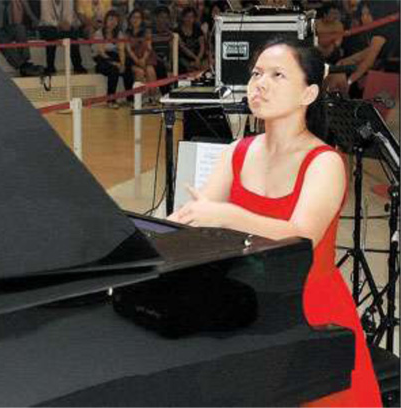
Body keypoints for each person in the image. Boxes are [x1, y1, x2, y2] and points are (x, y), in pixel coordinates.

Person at [168, 37, 382, 407]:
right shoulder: (238, 151)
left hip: (308, 309)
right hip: (249, 303)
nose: (259, 84)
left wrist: (227, 215)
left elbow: (303, 236)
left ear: (309, 93)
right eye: (256, 74)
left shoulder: (324, 161)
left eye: (277, 75)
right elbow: (195, 218)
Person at [326, 0, 400, 97]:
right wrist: (342, 63)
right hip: (382, 76)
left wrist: (350, 81)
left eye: (368, 14)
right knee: (340, 68)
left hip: (386, 79)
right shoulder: (377, 35)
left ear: (378, 14)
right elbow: (362, 55)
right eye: (362, 14)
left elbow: (367, 64)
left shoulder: (379, 36)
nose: (364, 18)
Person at [92, 9, 134, 108]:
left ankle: (130, 99)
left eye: (115, 20)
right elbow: (102, 53)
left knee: (128, 66)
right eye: (111, 19)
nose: (113, 22)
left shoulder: (119, 34)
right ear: (106, 20)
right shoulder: (99, 33)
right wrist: (115, 63)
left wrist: (122, 64)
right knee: (113, 70)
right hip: (102, 58)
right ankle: (111, 100)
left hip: (114, 56)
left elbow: (121, 50)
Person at [39, 0, 88, 75]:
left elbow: (68, 15)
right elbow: (46, 18)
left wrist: (66, 24)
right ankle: (50, 66)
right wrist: (59, 24)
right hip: (48, 25)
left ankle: (77, 65)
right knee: (50, 33)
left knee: (73, 34)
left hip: (64, 26)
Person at [125, 8, 159, 103]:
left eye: (138, 18)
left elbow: (149, 47)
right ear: (130, 19)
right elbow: (129, 50)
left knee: (150, 70)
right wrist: (137, 61)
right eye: (133, 17)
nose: (135, 20)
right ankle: (141, 98)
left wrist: (143, 59)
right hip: (133, 60)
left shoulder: (147, 32)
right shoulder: (127, 33)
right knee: (139, 72)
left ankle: (153, 97)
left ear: (142, 20)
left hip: (146, 58)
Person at [177, 6, 206, 74]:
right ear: (183, 18)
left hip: (199, 56)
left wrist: (198, 58)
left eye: (192, 17)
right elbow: (183, 48)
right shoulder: (177, 31)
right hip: (184, 58)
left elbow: (202, 47)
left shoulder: (198, 29)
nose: (189, 19)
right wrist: (196, 59)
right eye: (187, 16)